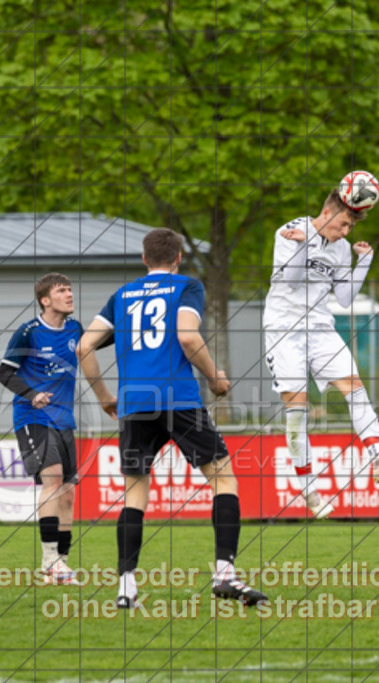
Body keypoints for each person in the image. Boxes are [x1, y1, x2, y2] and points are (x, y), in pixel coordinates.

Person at [78, 228, 269, 609]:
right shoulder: (187, 286)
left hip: (133, 405)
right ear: (178, 258)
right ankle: (224, 574)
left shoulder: (123, 296)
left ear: (144, 259)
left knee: (135, 492)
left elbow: (84, 345)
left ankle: (127, 586)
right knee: (223, 478)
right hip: (179, 399)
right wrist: (215, 378)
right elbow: (188, 337)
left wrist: (103, 397)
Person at [263, 185, 379, 519]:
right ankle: (309, 490)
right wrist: (302, 245)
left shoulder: (342, 248)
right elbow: (290, 278)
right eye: (343, 224)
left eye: (351, 228)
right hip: (283, 330)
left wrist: (365, 261)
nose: (345, 232)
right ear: (328, 212)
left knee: (354, 387)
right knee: (297, 413)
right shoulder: (290, 231)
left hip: (320, 328)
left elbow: (344, 298)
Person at [0, 274, 108, 585]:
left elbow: (99, 340)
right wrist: (32, 395)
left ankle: (60, 565)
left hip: (65, 421)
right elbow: (4, 372)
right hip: (33, 418)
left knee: (69, 494)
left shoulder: (75, 329)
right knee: (54, 480)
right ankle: (48, 562)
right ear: (46, 300)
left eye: (71, 289)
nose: (70, 294)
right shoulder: (28, 332)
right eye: (62, 290)